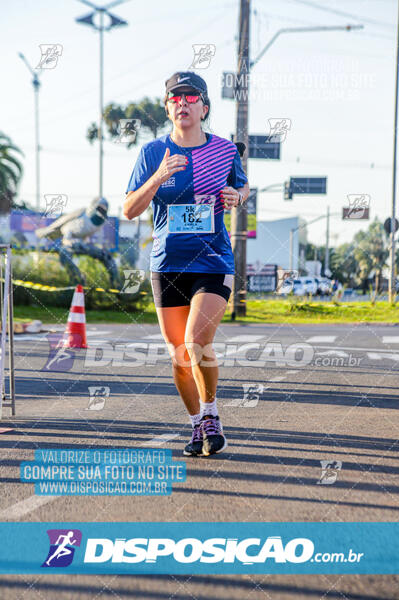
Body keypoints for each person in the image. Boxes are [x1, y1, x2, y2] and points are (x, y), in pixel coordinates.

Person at [124, 71, 249, 457]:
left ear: (204, 108)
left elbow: (242, 186)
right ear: (167, 107)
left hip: (212, 259)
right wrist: (158, 177)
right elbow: (129, 209)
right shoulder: (151, 153)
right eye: (175, 97)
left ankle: (211, 415)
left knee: (197, 341)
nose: (183, 102)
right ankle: (196, 425)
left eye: (191, 97)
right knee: (179, 354)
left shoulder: (225, 151)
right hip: (166, 263)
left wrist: (237, 196)